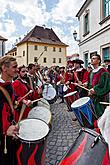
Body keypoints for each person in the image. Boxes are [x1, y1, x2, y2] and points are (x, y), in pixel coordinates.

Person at [88, 54, 110, 118]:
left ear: (98, 61)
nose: (92, 60)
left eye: (94, 58)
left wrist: (95, 89)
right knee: (93, 111)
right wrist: (87, 84)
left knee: (101, 112)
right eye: (91, 58)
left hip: (101, 96)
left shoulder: (103, 71)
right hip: (92, 95)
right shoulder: (91, 72)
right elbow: (90, 83)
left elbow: (106, 85)